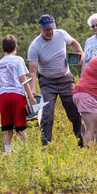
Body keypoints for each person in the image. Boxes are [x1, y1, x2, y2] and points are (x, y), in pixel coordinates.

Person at [27, 14, 85, 146]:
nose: (50, 32)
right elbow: (33, 71)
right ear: (41, 28)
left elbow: (74, 42)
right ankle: (46, 145)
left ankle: (82, 142)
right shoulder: (35, 46)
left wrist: (81, 53)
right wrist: (33, 91)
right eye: (47, 29)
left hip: (66, 79)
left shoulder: (62, 34)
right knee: (47, 114)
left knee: (75, 111)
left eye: (52, 28)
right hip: (47, 82)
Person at [0, 34, 37, 153]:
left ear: (3, 48)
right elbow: (23, 79)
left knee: (7, 128)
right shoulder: (19, 60)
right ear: (15, 47)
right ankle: (26, 153)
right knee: (21, 127)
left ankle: (8, 153)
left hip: (3, 96)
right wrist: (31, 97)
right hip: (17, 95)